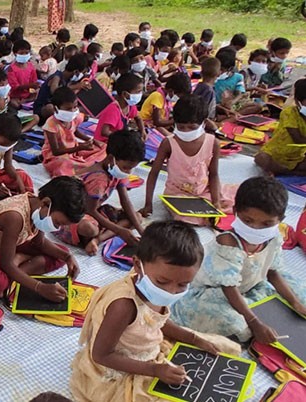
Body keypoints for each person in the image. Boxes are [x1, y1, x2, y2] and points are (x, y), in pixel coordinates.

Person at [70, 221, 241, 402]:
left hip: (150, 348)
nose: (171, 291)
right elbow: (101, 355)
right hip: (120, 366)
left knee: (222, 349)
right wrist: (154, 370)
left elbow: (157, 320)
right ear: (137, 265)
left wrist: (194, 339)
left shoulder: (152, 284)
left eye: (182, 285)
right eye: (162, 282)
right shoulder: (123, 306)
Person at [172, 177, 306, 343]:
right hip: (215, 291)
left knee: (300, 294)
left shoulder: (273, 238)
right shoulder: (228, 242)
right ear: (235, 211)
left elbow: (272, 273)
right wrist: (254, 322)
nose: (255, 228)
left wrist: (295, 303)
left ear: (281, 220)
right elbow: (229, 288)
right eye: (248, 220)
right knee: (235, 324)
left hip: (252, 284)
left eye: (266, 223)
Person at [0, 176, 85, 300]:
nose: (56, 228)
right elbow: (6, 264)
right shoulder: (14, 217)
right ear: (46, 203)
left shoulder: (39, 209)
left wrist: (68, 257)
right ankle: (20, 260)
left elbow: (39, 242)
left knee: (61, 253)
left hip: (12, 244)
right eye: (58, 222)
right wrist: (40, 287)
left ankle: (18, 265)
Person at [142, 94, 235, 226]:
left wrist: (216, 202)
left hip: (204, 191)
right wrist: (148, 204)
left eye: (192, 127)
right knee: (184, 218)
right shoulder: (168, 143)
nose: (186, 131)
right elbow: (154, 173)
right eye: (180, 127)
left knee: (231, 202)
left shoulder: (212, 142)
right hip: (177, 194)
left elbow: (213, 174)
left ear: (204, 123)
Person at [55, 130, 145, 255]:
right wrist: (119, 230)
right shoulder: (98, 179)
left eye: (132, 168)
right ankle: (95, 237)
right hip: (74, 214)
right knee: (89, 229)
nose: (129, 172)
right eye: (126, 167)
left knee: (137, 217)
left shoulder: (117, 170)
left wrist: (141, 231)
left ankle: (97, 240)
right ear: (111, 159)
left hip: (95, 211)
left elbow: (125, 201)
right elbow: (89, 210)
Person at [42, 87, 107, 177]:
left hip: (74, 151)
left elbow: (75, 131)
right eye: (68, 109)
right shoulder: (51, 124)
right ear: (56, 108)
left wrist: (91, 140)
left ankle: (85, 166)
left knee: (104, 147)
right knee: (63, 164)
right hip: (57, 156)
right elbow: (56, 151)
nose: (73, 111)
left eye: (75, 107)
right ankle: (87, 168)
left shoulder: (73, 118)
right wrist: (79, 148)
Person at [255, 79, 306, 176]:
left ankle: (287, 171)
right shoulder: (289, 113)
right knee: (262, 159)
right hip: (276, 154)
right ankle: (290, 172)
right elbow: (297, 139)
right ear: (297, 101)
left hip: (297, 157)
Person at [34, 53, 91, 123]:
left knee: (81, 109)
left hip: (59, 108)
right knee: (50, 108)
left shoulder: (69, 80)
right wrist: (76, 86)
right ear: (76, 71)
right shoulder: (57, 77)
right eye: (82, 72)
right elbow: (55, 91)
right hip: (43, 110)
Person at [94, 74, 146, 143]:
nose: (140, 94)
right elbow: (104, 132)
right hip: (104, 142)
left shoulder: (130, 105)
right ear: (125, 94)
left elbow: (138, 118)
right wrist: (124, 139)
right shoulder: (113, 109)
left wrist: (143, 131)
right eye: (138, 92)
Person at [0, 68, 39, 133]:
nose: (5, 87)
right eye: (1, 85)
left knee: (35, 118)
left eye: (6, 84)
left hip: (9, 122)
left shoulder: (6, 97)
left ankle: (19, 132)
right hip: (0, 125)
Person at [7, 39, 39, 104]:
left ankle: (27, 100)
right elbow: (15, 87)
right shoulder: (12, 68)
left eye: (26, 53)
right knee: (14, 104)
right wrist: (30, 86)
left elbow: (34, 82)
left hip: (28, 94)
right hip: (16, 96)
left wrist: (35, 87)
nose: (24, 55)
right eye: (21, 53)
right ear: (15, 53)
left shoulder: (30, 66)